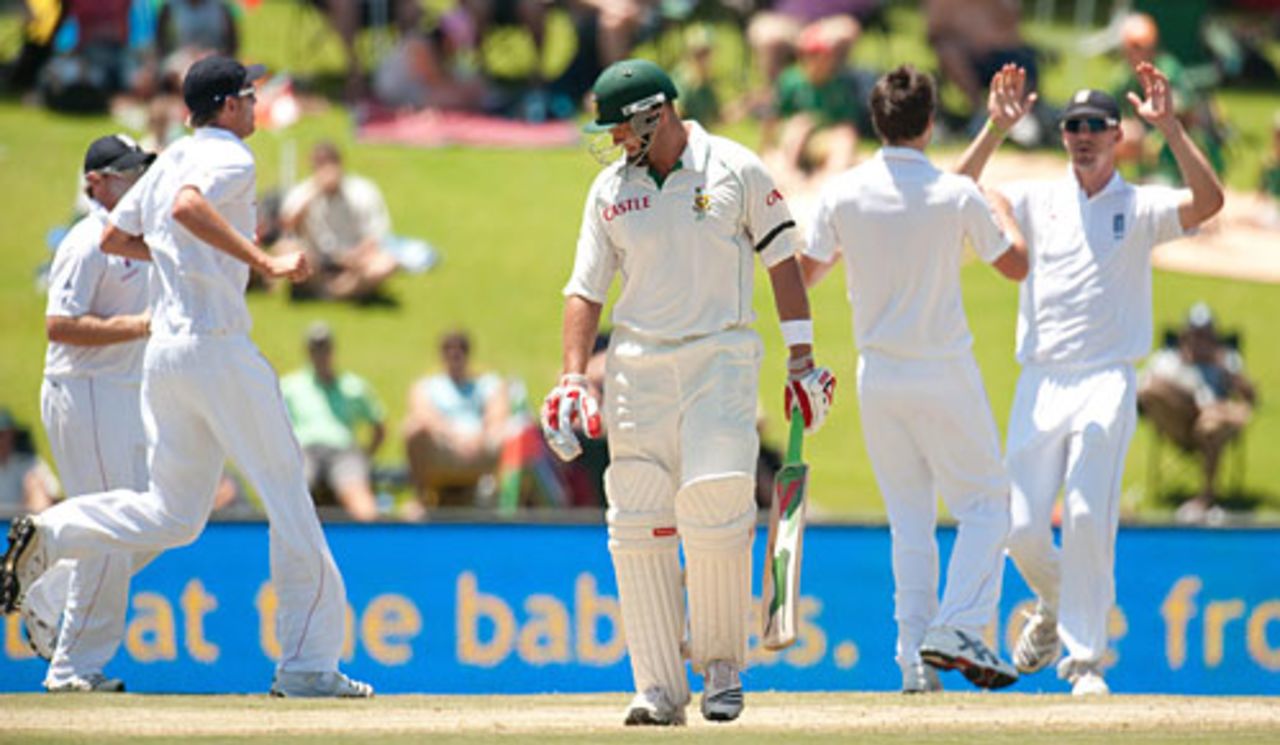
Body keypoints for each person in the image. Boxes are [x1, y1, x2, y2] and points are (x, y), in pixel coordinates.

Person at [0, 56, 373, 699]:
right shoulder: (230, 157)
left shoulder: (172, 152)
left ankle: (54, 533)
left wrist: (180, 251)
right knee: (289, 500)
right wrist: (266, 261)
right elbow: (187, 205)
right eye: (252, 96)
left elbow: (120, 237)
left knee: (174, 514)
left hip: (166, 357)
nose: (258, 106)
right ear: (228, 105)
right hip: (218, 347)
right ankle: (308, 667)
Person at [541, 59, 835, 725]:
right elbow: (584, 290)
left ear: (655, 113)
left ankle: (723, 667)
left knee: (717, 498)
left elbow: (782, 264)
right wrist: (570, 374)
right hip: (636, 366)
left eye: (620, 127)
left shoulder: (735, 167)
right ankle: (658, 689)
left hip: (720, 356)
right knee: (638, 514)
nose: (613, 140)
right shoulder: (609, 190)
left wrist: (802, 361)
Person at [957, 61, 1225, 695]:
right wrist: (995, 128)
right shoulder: (1036, 196)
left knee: (1084, 512)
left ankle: (1084, 663)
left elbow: (1210, 202)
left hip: (1107, 377)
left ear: (1117, 137)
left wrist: (1173, 130)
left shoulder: (1141, 204)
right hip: (1040, 380)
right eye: (1073, 126)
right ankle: (1056, 606)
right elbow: (958, 187)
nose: (1082, 135)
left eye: (1095, 126)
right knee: (1021, 529)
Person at [800, 64, 1025, 695]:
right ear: (930, 122)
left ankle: (914, 661)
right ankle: (955, 625)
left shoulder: (844, 194)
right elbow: (1015, 266)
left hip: (880, 377)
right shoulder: (958, 197)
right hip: (943, 371)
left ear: (876, 121)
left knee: (910, 521)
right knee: (987, 506)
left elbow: (807, 272)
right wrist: (1004, 213)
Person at [20, 134, 156, 694]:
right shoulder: (85, 241)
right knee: (110, 525)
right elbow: (60, 324)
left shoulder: (138, 238)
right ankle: (74, 666)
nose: (137, 181)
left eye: (140, 170)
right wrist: (142, 326)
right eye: (125, 173)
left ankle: (48, 593)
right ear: (96, 182)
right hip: (85, 389)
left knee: (166, 517)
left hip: (128, 390)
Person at [1138, 303, 1255, 523]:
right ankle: (1204, 410)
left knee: (1212, 423)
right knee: (1152, 386)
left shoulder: (1226, 360)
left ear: (1214, 337)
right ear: (1184, 335)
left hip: (1213, 427)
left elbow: (1251, 399)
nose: (1200, 341)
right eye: (1195, 335)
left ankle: (1206, 498)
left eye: (1206, 336)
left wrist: (1227, 372)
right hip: (1178, 423)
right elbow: (1144, 391)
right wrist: (1190, 400)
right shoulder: (1167, 360)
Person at [281, 322, 386, 523]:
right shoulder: (291, 387)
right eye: (315, 348)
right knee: (294, 493)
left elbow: (379, 424)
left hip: (343, 451)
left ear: (332, 350)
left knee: (361, 501)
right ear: (308, 352)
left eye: (325, 348)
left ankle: (373, 544)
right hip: (305, 451)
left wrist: (366, 455)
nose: (320, 354)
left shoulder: (353, 386)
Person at [279, 141, 401, 303]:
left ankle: (338, 292)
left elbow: (375, 235)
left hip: (354, 261)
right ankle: (331, 291)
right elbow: (288, 226)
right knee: (285, 250)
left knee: (386, 263)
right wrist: (316, 192)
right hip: (316, 261)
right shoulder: (303, 192)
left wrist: (355, 256)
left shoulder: (363, 191)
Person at [1110, 13, 1225, 183]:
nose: (1137, 53)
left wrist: (1154, 137)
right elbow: (1111, 111)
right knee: (1115, 135)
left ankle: (1174, 178)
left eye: (1142, 47)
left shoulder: (1166, 69)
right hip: (1147, 141)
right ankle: (1111, 184)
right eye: (1132, 47)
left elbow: (1185, 111)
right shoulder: (1125, 77)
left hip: (1175, 141)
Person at [403, 330, 508, 511]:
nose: (455, 355)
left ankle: (511, 502)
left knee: (517, 430)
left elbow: (497, 414)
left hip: (481, 445)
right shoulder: (427, 386)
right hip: (444, 445)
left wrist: (479, 438)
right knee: (413, 428)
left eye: (460, 350)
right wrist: (455, 438)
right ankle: (421, 498)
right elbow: (423, 414)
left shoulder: (488, 384)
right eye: (449, 351)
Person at [763, 21, 864, 193]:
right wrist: (767, 146)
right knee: (799, 125)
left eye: (823, 55)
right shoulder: (790, 81)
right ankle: (788, 173)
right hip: (793, 138)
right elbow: (774, 117)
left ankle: (829, 178)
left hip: (823, 141)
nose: (819, 61)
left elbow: (847, 123)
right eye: (812, 55)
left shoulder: (838, 85)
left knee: (843, 138)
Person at [0, 408, 59, 515]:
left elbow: (51, 498)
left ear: (11, 434)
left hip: (22, 522)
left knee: (35, 483)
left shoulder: (30, 463)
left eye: (2, 435)